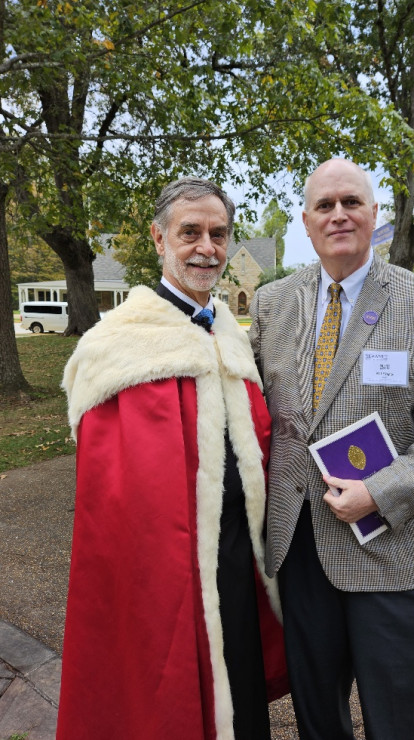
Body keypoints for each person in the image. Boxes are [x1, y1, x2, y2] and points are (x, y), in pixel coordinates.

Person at [249, 158, 414, 740]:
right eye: (324, 206)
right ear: (306, 222)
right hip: (301, 549)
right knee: (318, 719)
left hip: (394, 554)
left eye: (351, 202)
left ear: (374, 213)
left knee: (407, 720)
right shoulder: (273, 304)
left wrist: (378, 492)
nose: (338, 215)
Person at [57, 177, 287, 740]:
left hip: (237, 561)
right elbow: (111, 495)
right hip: (163, 576)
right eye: (190, 233)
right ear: (159, 240)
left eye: (218, 234)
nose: (206, 246)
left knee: (242, 702)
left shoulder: (233, 337)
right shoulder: (119, 347)